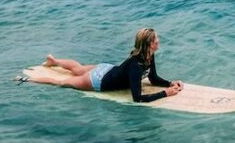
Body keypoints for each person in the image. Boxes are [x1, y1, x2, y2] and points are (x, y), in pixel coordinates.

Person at [22, 28, 184, 102]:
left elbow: (153, 78)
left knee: (77, 68)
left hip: (107, 68)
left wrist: (170, 83)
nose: (159, 41)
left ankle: (54, 61)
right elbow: (138, 98)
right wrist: (165, 93)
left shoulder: (148, 55)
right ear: (149, 44)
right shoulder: (136, 64)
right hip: (97, 80)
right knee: (62, 82)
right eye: (156, 39)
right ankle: (27, 79)